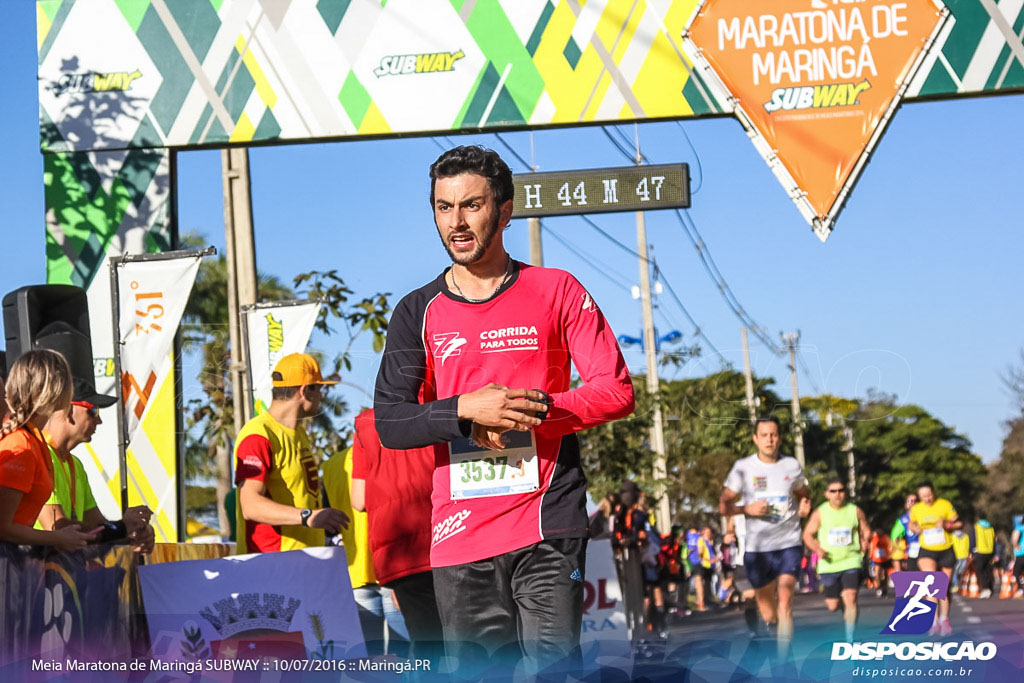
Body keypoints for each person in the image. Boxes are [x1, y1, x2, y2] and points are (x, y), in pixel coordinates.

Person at [373, 145, 635, 673]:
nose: (457, 222)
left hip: (547, 522)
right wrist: (465, 411)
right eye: (444, 208)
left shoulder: (556, 290)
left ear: (506, 210)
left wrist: (529, 413)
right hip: (460, 534)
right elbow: (391, 422)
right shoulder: (416, 311)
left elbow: (615, 390)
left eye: (471, 205)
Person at [349, 408, 441, 662]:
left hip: (399, 555)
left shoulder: (366, 425)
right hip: (444, 538)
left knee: (426, 646)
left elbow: (358, 500)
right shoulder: (444, 408)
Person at [235, 353, 348, 553]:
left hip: (302, 563)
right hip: (272, 566)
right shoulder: (259, 434)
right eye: (320, 388)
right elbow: (250, 505)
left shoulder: (299, 433)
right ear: (305, 391)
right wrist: (308, 516)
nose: (322, 397)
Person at [720, 416, 809, 655]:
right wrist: (745, 509)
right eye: (764, 435)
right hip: (758, 549)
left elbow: (804, 492)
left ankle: (784, 664)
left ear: (779, 437)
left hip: (789, 543)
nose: (770, 439)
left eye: (774, 434)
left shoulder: (791, 465)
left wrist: (804, 505)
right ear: (755, 439)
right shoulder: (743, 468)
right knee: (769, 612)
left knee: (784, 604)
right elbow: (724, 505)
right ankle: (775, 633)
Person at [35, 377, 155, 553]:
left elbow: (97, 527)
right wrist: (121, 528)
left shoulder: (75, 464)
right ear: (68, 411)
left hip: (57, 573)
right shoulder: (40, 455)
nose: (99, 421)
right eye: (93, 410)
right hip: (30, 574)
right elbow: (58, 528)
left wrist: (132, 535)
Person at [0, 350, 97, 550]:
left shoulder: (32, 442)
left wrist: (122, 531)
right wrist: (57, 538)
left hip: (16, 566)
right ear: (57, 390)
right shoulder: (21, 445)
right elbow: (2, 527)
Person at [322, 444, 409, 657]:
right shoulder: (389, 457)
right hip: (391, 570)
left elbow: (326, 523)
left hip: (354, 573)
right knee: (403, 656)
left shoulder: (332, 465)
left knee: (369, 658)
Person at [801, 478, 871, 642]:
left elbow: (865, 528)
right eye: (833, 491)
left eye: (840, 490)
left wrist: (866, 538)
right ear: (827, 494)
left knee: (851, 596)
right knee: (832, 605)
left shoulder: (855, 510)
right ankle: (845, 608)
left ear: (845, 493)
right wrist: (817, 549)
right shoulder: (820, 512)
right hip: (829, 563)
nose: (837, 494)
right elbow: (807, 535)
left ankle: (850, 638)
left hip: (851, 559)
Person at [908, 481, 962, 636]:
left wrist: (947, 525)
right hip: (927, 550)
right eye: (923, 496)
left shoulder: (944, 505)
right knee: (932, 586)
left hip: (946, 549)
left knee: (943, 588)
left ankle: (944, 619)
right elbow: (911, 524)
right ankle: (933, 621)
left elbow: (959, 522)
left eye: (929, 495)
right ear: (919, 496)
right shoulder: (916, 509)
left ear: (934, 492)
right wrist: (914, 528)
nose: (927, 498)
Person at [891, 493, 921, 572]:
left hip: (929, 551)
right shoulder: (902, 520)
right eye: (909, 501)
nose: (912, 503)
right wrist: (902, 551)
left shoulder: (925, 515)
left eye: (915, 501)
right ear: (905, 504)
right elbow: (894, 537)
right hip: (913, 553)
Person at [969, 516, 995, 599]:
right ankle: (990, 588)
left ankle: (985, 588)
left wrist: (971, 551)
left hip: (979, 552)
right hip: (989, 551)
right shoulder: (990, 528)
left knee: (980, 571)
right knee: (988, 571)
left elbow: (973, 539)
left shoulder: (976, 527)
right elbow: (994, 540)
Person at [868, 529, 893, 597]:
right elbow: (871, 546)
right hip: (876, 559)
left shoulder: (886, 538)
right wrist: (870, 556)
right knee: (877, 574)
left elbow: (890, 546)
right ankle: (878, 588)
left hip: (885, 559)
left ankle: (884, 589)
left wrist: (890, 554)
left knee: (885, 574)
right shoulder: (874, 537)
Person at [1012, 514, 1024, 597]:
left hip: (1021, 553)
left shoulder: (1019, 528)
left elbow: (1015, 539)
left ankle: (1020, 589)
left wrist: (1016, 545)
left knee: (1016, 572)